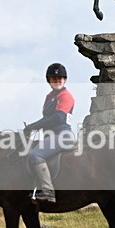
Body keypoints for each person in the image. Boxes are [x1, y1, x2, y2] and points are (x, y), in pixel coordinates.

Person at [24, 63, 75, 203]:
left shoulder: (66, 96)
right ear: (49, 80)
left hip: (62, 136)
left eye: (60, 78)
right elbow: (46, 118)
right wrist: (31, 127)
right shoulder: (49, 97)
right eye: (54, 78)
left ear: (64, 80)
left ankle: (48, 191)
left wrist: (35, 126)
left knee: (35, 155)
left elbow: (58, 117)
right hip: (50, 136)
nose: (57, 81)